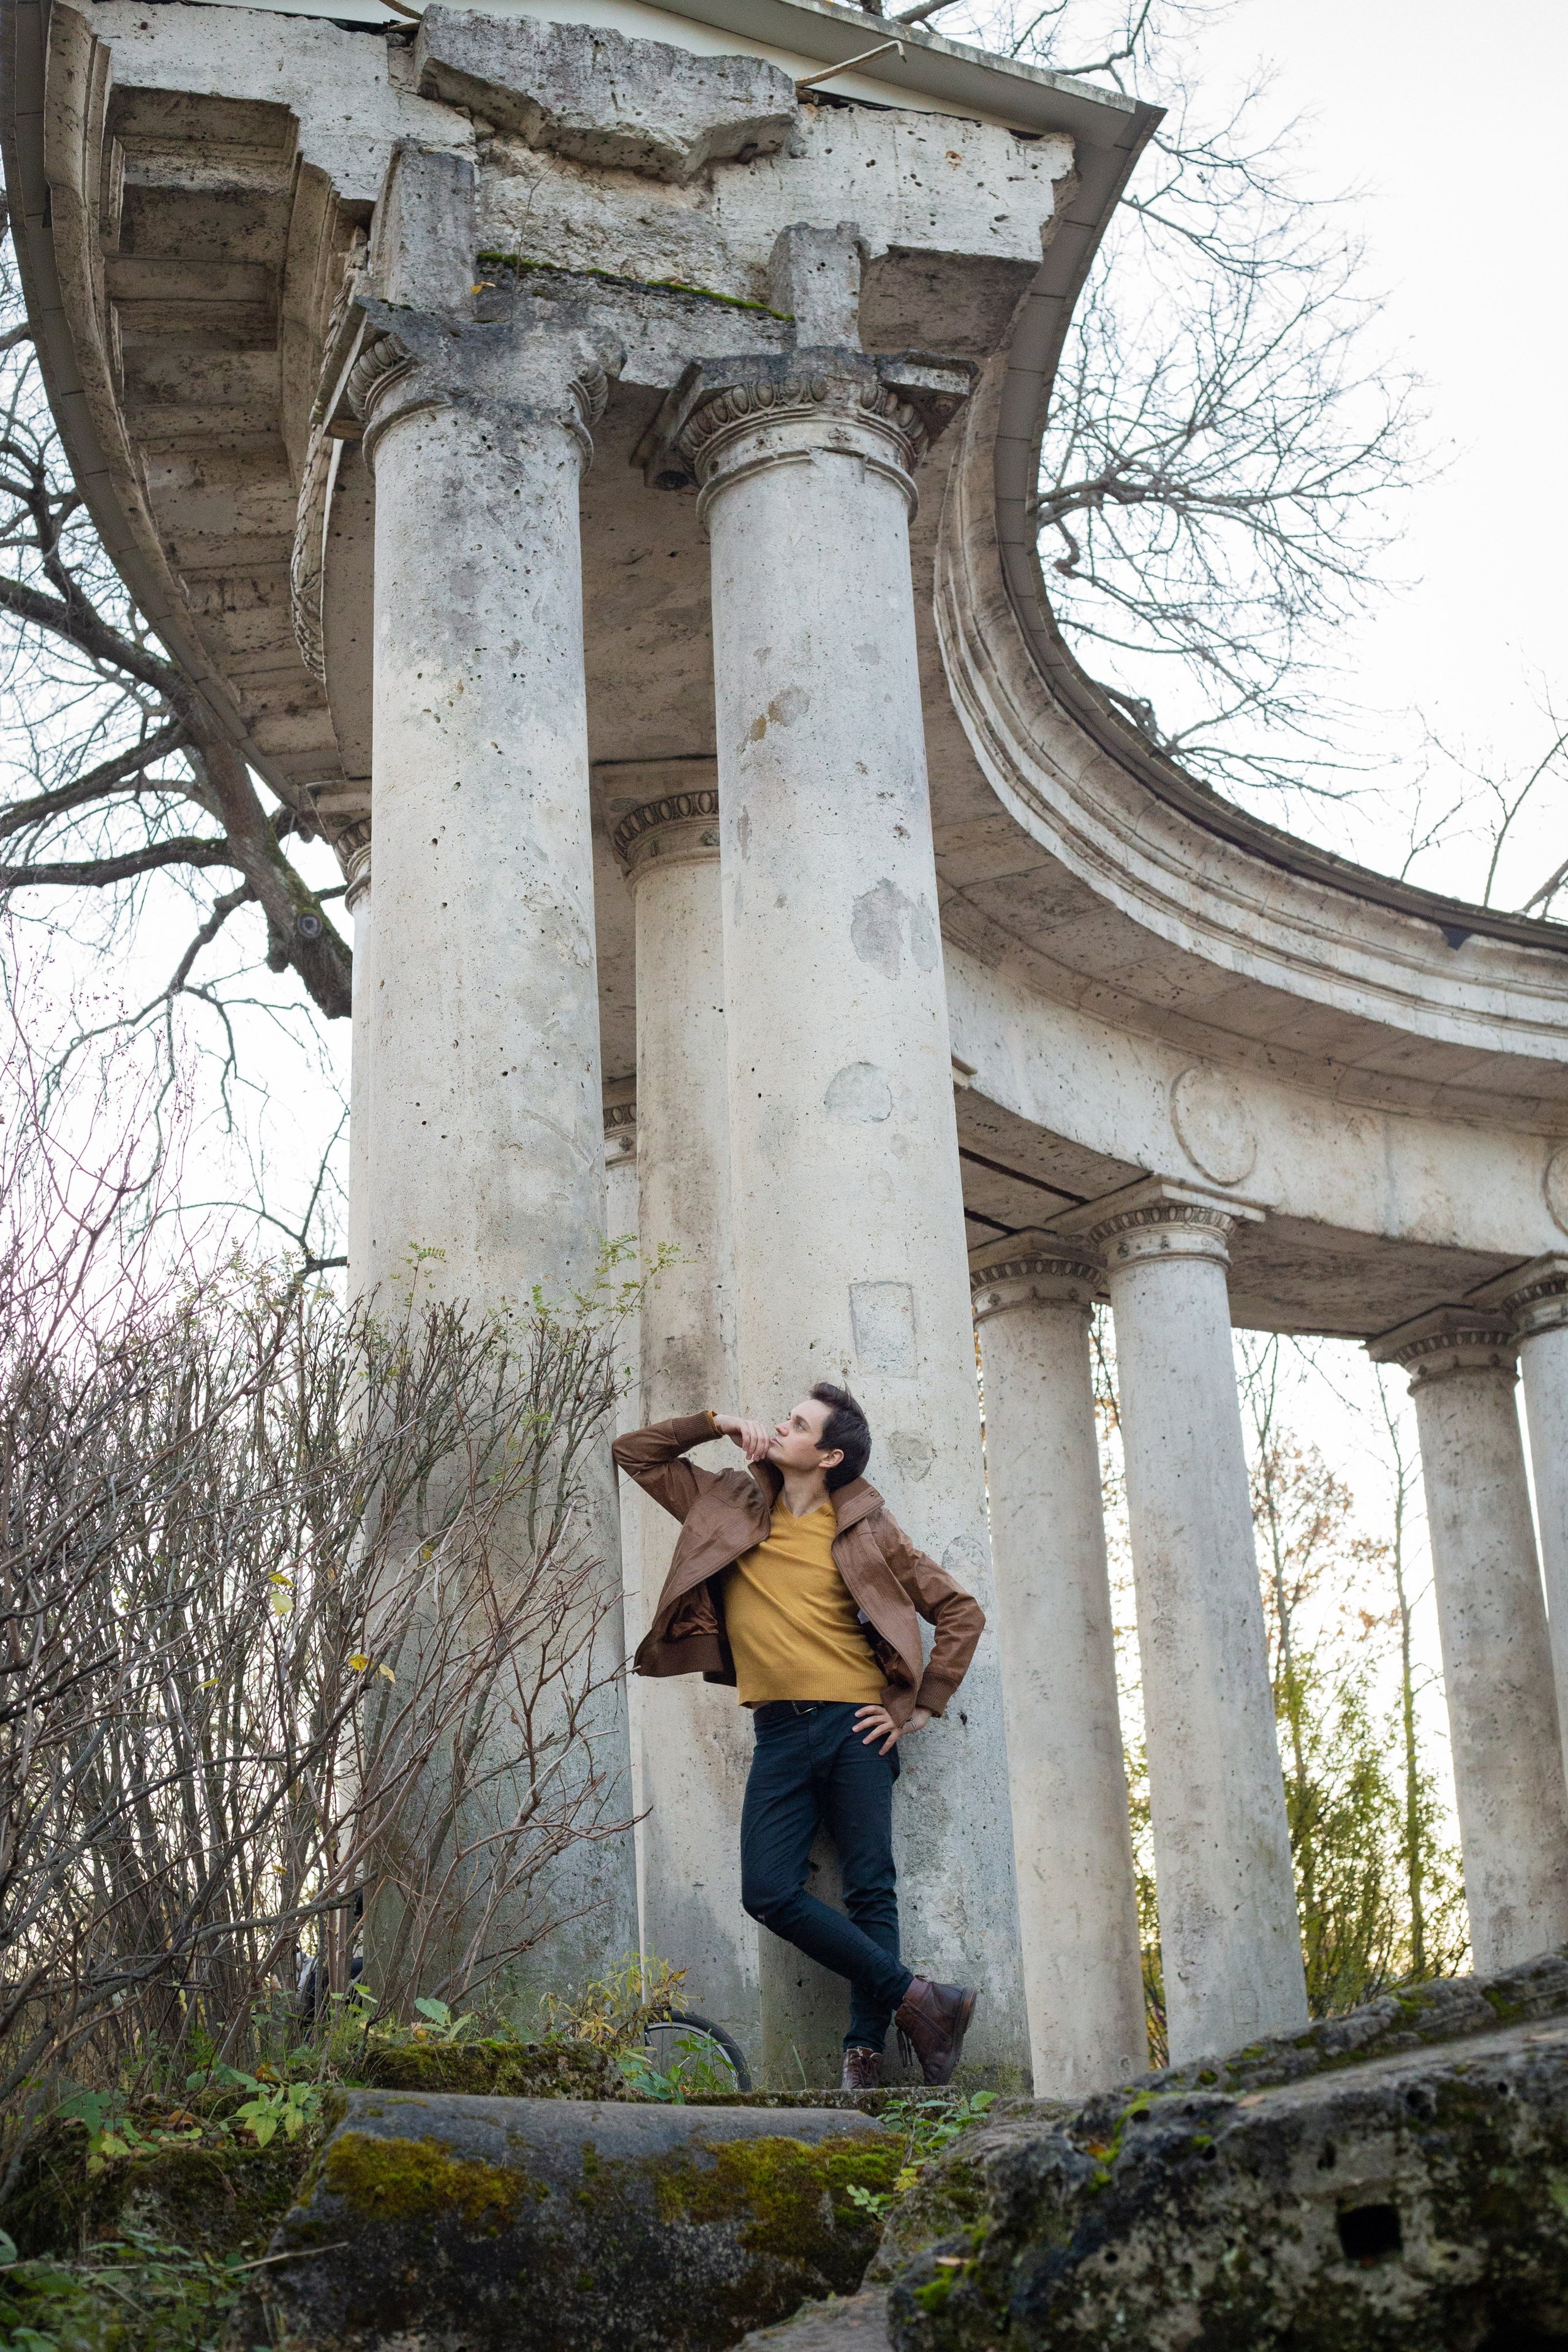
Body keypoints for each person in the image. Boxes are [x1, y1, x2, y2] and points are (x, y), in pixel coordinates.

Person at [613, 1384, 985, 2090]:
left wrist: (922, 1708)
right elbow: (634, 1453)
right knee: (768, 1890)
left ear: (830, 1454)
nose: (780, 1427)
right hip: (778, 1730)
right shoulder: (727, 1503)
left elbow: (959, 1610)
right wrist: (715, 1423)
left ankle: (863, 2057)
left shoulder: (870, 1530)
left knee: (869, 1890)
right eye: (782, 1420)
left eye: (798, 1425)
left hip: (855, 1728)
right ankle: (922, 2000)